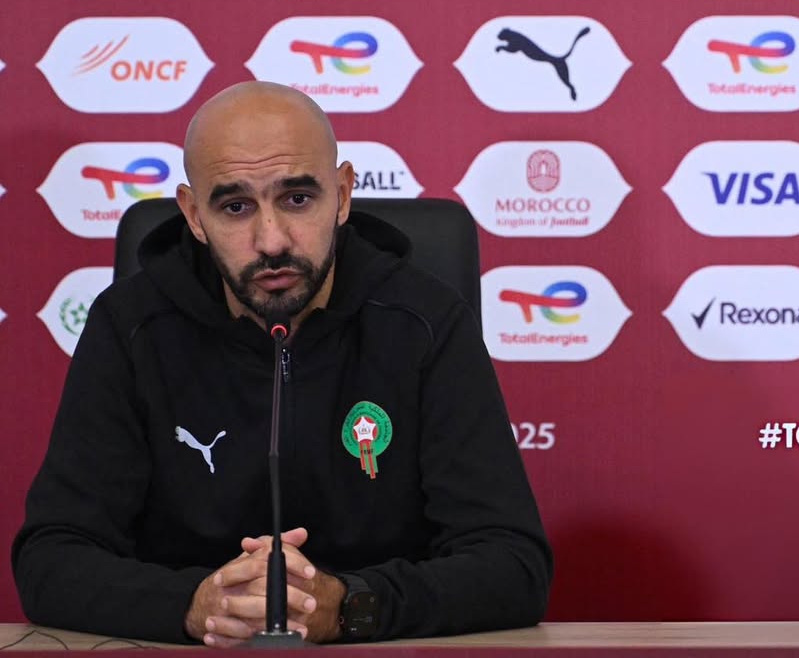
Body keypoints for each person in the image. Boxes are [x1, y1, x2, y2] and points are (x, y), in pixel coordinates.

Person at [11, 81, 553, 646]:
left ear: (342, 195)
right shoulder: (130, 326)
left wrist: (349, 605)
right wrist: (197, 605)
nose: (271, 241)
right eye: (236, 206)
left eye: (297, 199)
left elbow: (513, 565)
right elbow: (52, 557)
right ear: (193, 215)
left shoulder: (426, 322)